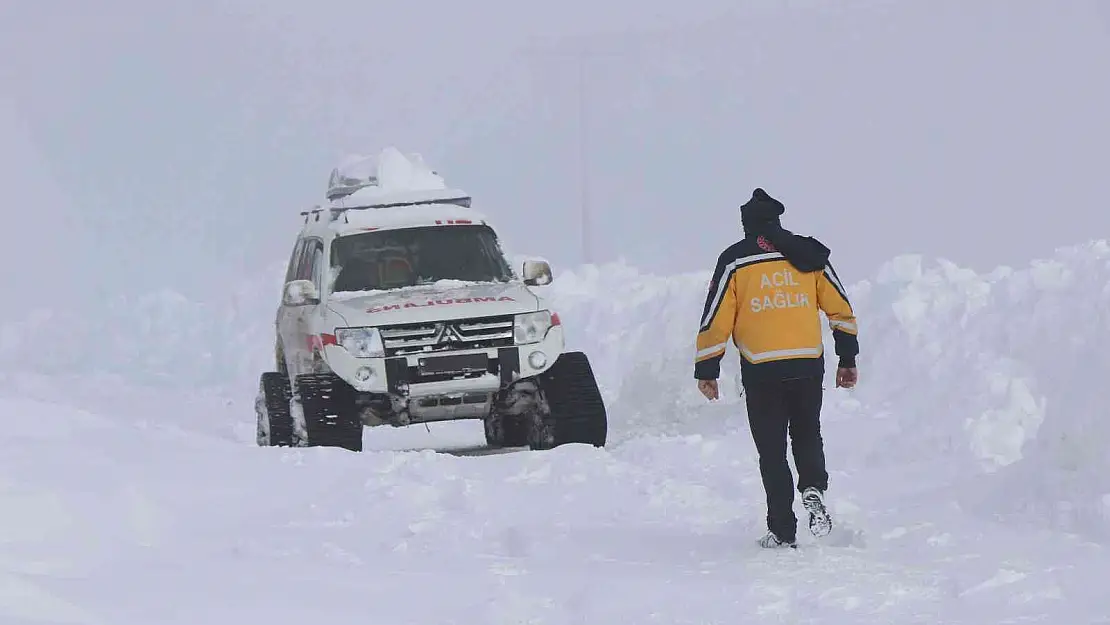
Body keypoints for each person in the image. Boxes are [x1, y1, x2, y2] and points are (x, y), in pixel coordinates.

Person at [694, 188, 859, 549]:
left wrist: (707, 368)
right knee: (807, 432)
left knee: (772, 451)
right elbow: (840, 308)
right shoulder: (808, 255)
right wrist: (847, 357)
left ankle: (783, 531)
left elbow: (716, 318)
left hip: (762, 368)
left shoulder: (735, 261)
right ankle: (813, 485)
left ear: (747, 226)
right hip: (806, 363)